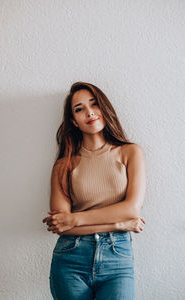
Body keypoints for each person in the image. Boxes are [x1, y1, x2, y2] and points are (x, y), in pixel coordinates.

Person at [42, 81, 146, 300]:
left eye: (94, 104)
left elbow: (131, 210)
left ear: (104, 108)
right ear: (74, 121)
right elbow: (62, 225)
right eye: (79, 109)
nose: (89, 112)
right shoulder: (64, 165)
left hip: (117, 258)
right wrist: (119, 224)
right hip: (71, 258)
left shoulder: (130, 153)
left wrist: (76, 219)